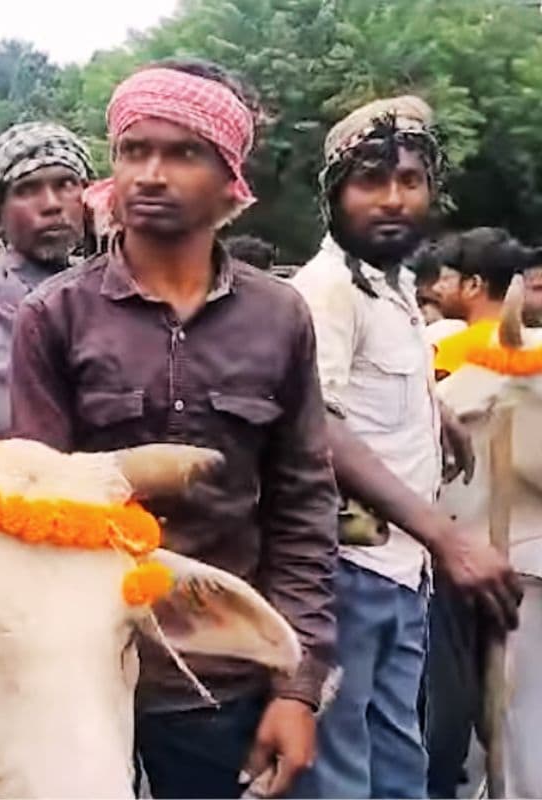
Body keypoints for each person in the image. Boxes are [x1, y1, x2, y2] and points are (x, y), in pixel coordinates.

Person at [10, 60, 338, 799]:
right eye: (133, 151)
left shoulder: (279, 318)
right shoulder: (52, 319)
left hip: (224, 675)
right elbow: (37, 520)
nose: (149, 174)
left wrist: (298, 686)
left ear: (229, 181)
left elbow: (303, 507)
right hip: (87, 675)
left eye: (182, 153)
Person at [290, 96, 521, 800]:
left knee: (401, 757)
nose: (393, 199)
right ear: (334, 194)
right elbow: (317, 426)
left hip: (401, 570)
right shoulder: (326, 290)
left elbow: (373, 394)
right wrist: (444, 537)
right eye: (370, 182)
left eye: (411, 181)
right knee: (341, 769)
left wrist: (435, 416)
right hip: (347, 570)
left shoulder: (389, 288)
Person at [0, 121, 92, 445]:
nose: (52, 204)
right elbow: (9, 430)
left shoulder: (106, 280)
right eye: (27, 189)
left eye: (66, 184)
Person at [429, 227, 532, 378]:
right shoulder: (533, 347)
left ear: (474, 285)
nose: (436, 288)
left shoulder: (453, 351)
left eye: (445, 279)